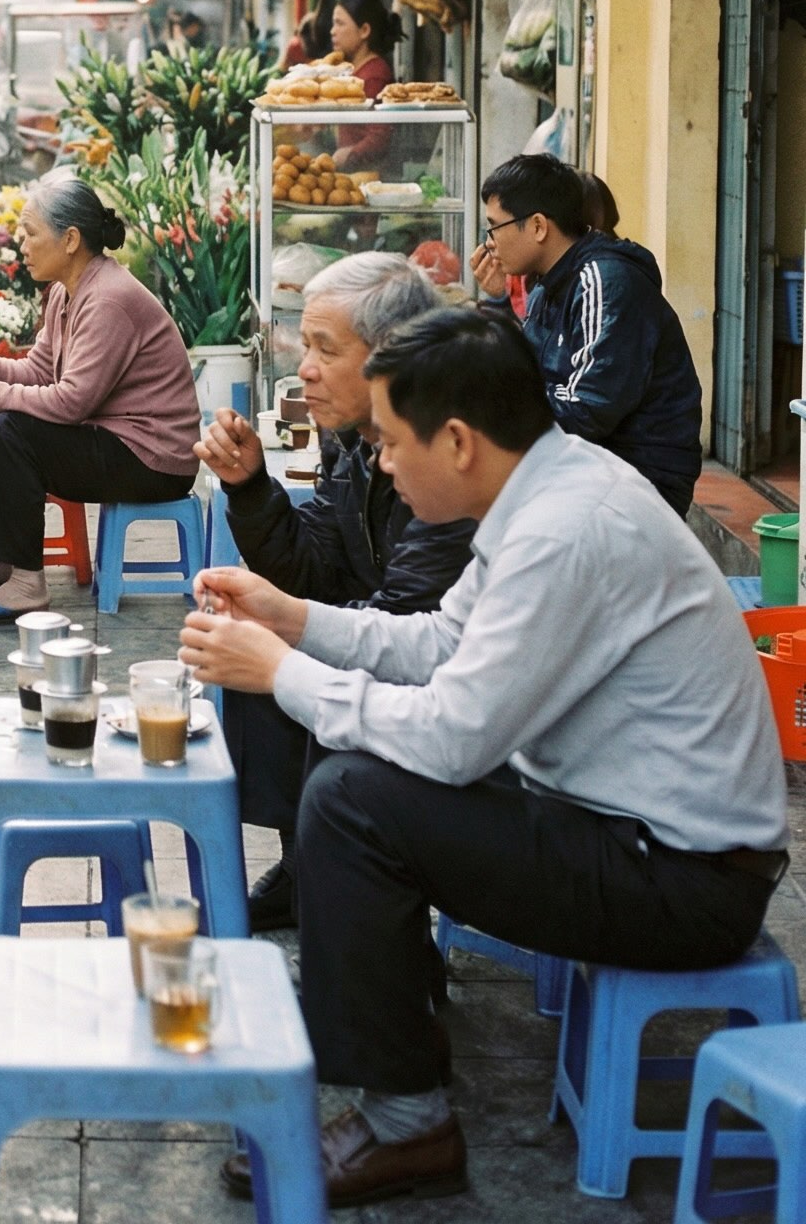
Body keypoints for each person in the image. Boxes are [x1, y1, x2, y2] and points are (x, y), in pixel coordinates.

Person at [182, 306, 788, 1209]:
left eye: (391, 444)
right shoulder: (548, 491)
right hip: (622, 827)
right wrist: (293, 620)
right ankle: (393, 1033)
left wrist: (281, 672)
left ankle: (409, 1124)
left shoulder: (566, 529)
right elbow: (439, 643)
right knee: (351, 757)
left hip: (683, 879)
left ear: (459, 441)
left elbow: (454, 739)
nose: (384, 464)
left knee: (354, 797)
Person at [194, 255, 477, 931]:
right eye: (304, 347)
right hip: (401, 639)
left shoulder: (445, 457)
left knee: (280, 657)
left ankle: (345, 886)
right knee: (258, 651)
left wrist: (290, 632)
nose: (305, 370)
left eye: (325, 349)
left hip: (444, 683)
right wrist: (250, 488)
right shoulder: (352, 438)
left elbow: (416, 622)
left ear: (392, 356)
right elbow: (314, 567)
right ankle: (307, 864)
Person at [0, 169, 200, 623]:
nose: (22, 246)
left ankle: (28, 586)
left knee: (11, 430)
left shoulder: (107, 299)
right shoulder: (64, 294)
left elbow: (72, 403)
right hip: (112, 439)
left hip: (154, 459)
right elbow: (38, 373)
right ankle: (8, 562)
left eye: (31, 234)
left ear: (70, 240)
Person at [469, 153, 702, 515]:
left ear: (538, 226)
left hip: (637, 479)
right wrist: (498, 304)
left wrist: (491, 412)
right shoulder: (548, 285)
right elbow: (525, 373)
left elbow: (587, 410)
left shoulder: (605, 281)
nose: (489, 243)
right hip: (586, 465)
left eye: (495, 227)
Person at [330, 0, 401, 98]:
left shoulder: (374, 78)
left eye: (340, 23)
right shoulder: (356, 71)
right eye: (334, 24)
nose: (332, 31)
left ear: (364, 30)